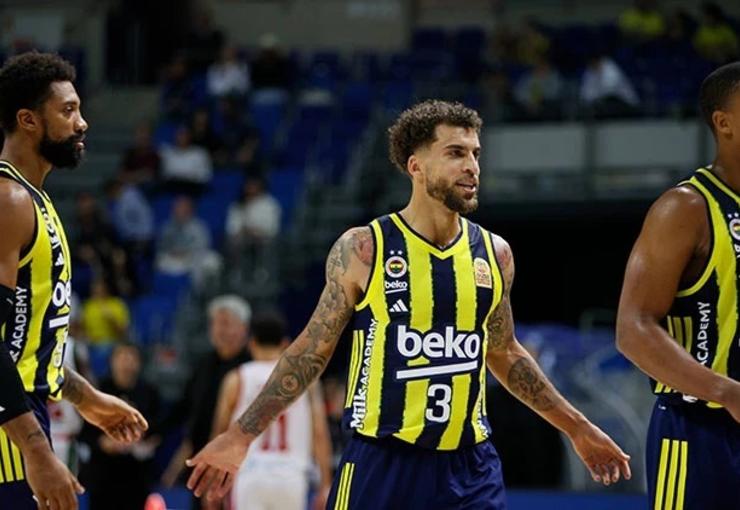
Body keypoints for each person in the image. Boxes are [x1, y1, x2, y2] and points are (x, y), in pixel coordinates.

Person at [186, 100, 631, 507]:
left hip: (470, 466)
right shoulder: (365, 248)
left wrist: (578, 427)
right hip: (383, 460)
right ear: (416, 166)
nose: (472, 166)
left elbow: (505, 353)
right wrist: (240, 435)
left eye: (476, 154)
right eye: (455, 153)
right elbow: (310, 351)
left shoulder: (495, 254)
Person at [0, 51, 148, 510]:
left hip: (21, 419)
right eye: (67, 111)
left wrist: (88, 398)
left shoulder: (34, 201)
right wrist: (35, 450)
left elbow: (27, 347)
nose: (82, 123)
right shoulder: (9, 202)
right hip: (10, 431)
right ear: (28, 120)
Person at [616, 63, 740, 510]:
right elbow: (632, 329)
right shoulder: (686, 207)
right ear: (723, 122)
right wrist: (725, 390)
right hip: (700, 427)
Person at [212, 311, 333, 510]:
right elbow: (319, 433)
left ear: (251, 343)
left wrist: (214, 482)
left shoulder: (237, 378)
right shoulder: (306, 379)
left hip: (250, 475)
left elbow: (220, 434)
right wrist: (325, 484)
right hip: (291, 476)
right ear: (285, 344)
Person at [161, 294, 251, 510]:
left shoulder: (251, 368)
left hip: (242, 468)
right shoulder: (204, 365)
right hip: (203, 466)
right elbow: (184, 412)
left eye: (226, 323)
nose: (219, 330)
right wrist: (152, 430)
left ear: (244, 328)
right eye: (215, 324)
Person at [78, 342, 161, 510]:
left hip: (136, 475)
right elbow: (84, 431)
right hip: (103, 474)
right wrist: (103, 442)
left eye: (131, 358)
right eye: (122, 357)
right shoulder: (97, 391)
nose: (126, 363)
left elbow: (158, 429)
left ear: (139, 363)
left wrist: (142, 442)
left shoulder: (150, 393)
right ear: (112, 361)